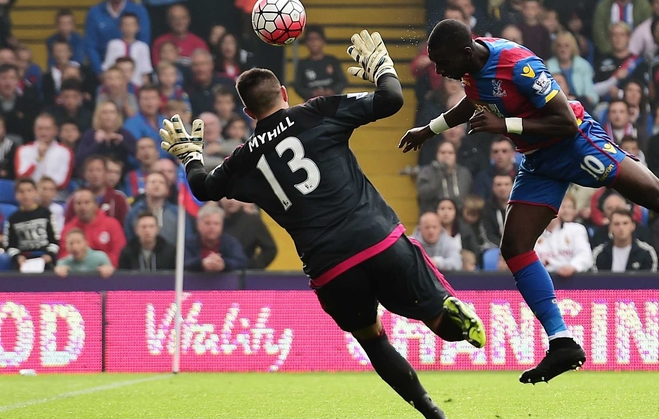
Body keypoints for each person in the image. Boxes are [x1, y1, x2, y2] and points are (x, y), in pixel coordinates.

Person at [399, 18, 659, 384]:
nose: (438, 70)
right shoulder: (470, 69)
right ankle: (562, 342)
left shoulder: (517, 64)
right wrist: (429, 129)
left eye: (441, 62)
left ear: (466, 51)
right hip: (540, 160)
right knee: (515, 246)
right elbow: (474, 99)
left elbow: (565, 119)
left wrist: (505, 126)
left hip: (576, 143)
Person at [162, 30, 485, 418]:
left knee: (373, 339)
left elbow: (202, 188)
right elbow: (391, 100)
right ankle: (451, 313)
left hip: (330, 267)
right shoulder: (314, 111)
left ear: (248, 113)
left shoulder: (241, 162)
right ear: (283, 92)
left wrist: (190, 156)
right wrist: (382, 68)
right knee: (436, 314)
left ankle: (431, 411)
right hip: (377, 238)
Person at [84, 0, 150, 76]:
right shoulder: (94, 13)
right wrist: (101, 73)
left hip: (134, 72)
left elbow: (143, 42)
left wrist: (132, 73)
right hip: (102, 72)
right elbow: (90, 46)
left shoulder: (139, 11)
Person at [59, 188, 126, 267]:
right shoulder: (68, 229)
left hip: (107, 274)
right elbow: (64, 256)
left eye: (87, 203)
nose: (82, 207)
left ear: (95, 205)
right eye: (78, 203)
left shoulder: (112, 225)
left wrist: (103, 266)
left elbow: (118, 253)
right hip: (77, 275)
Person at [3, 178, 59, 271]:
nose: (26, 195)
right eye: (21, 191)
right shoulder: (13, 219)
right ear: (16, 195)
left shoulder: (46, 214)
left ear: (36, 192)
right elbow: (9, 244)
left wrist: (49, 255)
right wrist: (17, 257)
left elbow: (55, 239)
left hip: (45, 258)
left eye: (29, 190)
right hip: (23, 260)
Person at [534, 195, 593, 277]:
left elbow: (585, 256)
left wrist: (572, 267)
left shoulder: (576, 229)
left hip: (572, 281)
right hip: (543, 280)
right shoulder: (532, 234)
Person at [65, 155, 129, 227]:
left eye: (99, 170)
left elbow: (126, 227)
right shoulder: (75, 199)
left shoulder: (118, 199)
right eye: (91, 171)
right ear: (85, 175)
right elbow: (68, 227)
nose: (95, 174)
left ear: (106, 173)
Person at [15, 113, 73, 189]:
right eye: (40, 128)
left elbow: (63, 182)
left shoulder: (65, 151)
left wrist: (45, 189)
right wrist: (38, 158)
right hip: (30, 196)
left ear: (55, 131)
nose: (43, 132)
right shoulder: (23, 150)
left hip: (56, 197)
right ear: (34, 130)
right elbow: (21, 178)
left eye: (47, 129)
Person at [75, 101, 137, 172]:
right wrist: (96, 143)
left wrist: (123, 142)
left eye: (112, 112)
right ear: (98, 116)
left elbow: (138, 155)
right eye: (104, 112)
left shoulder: (124, 134)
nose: (108, 116)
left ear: (117, 115)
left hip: (121, 175)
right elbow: (79, 160)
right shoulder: (90, 135)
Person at [592, 209, 658, 272]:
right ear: (610, 228)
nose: (621, 228)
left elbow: (649, 281)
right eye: (616, 224)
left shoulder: (646, 252)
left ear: (633, 226)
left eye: (625, 223)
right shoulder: (599, 253)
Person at [219, 197, 277, 269]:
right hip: (212, 274)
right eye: (225, 196)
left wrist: (253, 267)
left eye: (235, 196)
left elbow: (270, 249)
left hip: (245, 275)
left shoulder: (253, 222)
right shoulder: (212, 221)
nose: (230, 200)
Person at [416, 140, 473, 213]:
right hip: (433, 215)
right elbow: (423, 195)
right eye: (442, 153)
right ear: (436, 155)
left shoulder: (464, 173)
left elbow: (468, 197)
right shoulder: (427, 172)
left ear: (455, 156)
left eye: (450, 153)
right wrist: (440, 174)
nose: (446, 156)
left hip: (459, 217)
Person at [293, 25, 347, 101]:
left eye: (317, 39)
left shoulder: (332, 61)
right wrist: (311, 93)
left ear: (323, 41)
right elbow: (298, 87)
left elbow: (342, 81)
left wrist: (332, 91)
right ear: (306, 43)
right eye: (310, 39)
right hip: (311, 105)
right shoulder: (302, 64)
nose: (314, 42)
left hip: (332, 103)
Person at [102, 13, 152, 87]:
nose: (129, 28)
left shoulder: (143, 47)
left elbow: (145, 72)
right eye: (125, 25)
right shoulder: (113, 44)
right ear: (120, 27)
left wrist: (145, 87)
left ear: (138, 27)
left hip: (137, 85)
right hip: (116, 85)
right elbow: (108, 68)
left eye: (132, 25)